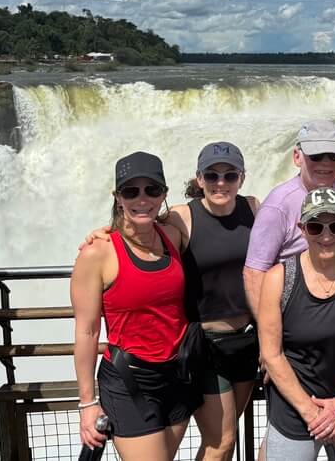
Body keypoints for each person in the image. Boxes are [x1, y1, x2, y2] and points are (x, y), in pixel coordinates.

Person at [84, 142, 260, 461]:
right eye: (212, 175)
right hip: (200, 346)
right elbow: (138, 227)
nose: (221, 182)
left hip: (243, 343)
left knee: (223, 440)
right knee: (221, 438)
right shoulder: (180, 219)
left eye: (230, 175)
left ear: (242, 178)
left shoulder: (254, 207)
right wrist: (106, 230)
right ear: (199, 178)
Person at [72, 151, 201, 460]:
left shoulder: (172, 233)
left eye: (152, 190)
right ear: (118, 197)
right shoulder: (98, 253)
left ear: (164, 194)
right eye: (131, 191)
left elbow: (216, 206)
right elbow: (87, 332)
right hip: (130, 380)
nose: (142, 199)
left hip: (177, 374)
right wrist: (88, 404)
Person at [257, 187, 335, 460]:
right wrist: (315, 415)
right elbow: (272, 354)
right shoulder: (279, 279)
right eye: (315, 227)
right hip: (295, 413)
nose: (326, 236)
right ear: (302, 229)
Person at [243, 120, 335, 319]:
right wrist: (270, 335)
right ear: (297, 157)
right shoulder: (278, 206)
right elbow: (254, 274)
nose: (326, 163)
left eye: (334, 156)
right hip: (294, 315)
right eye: (316, 156)